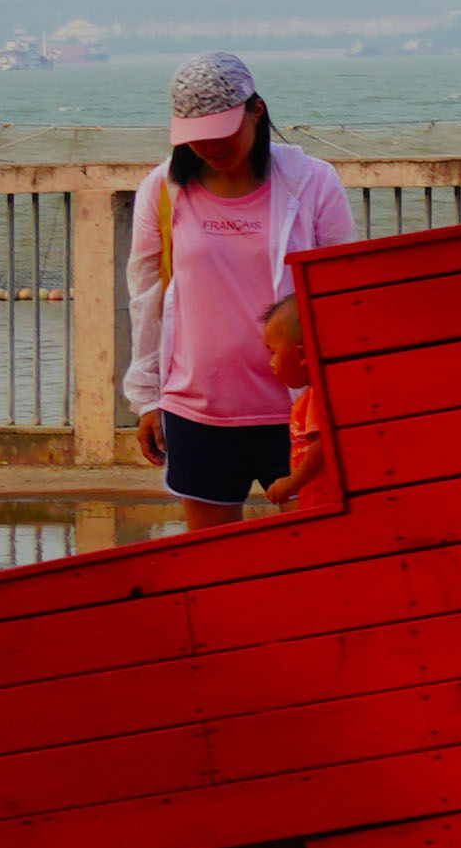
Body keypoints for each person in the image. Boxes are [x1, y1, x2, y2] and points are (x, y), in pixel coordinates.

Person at [132, 50, 354, 524]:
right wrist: (147, 399)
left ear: (256, 111)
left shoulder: (313, 184)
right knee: (212, 566)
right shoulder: (162, 191)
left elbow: (342, 293)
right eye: (196, 137)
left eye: (221, 131)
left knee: (315, 558)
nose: (210, 146)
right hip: (196, 411)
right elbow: (146, 297)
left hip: (299, 412)